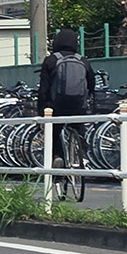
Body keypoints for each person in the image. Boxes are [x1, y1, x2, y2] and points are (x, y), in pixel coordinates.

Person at [37, 27, 95, 164]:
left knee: (54, 131)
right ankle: (81, 154)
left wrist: (42, 108)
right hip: (78, 105)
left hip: (57, 105)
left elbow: (44, 88)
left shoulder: (51, 60)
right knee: (78, 128)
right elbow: (91, 83)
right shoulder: (83, 61)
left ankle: (58, 156)